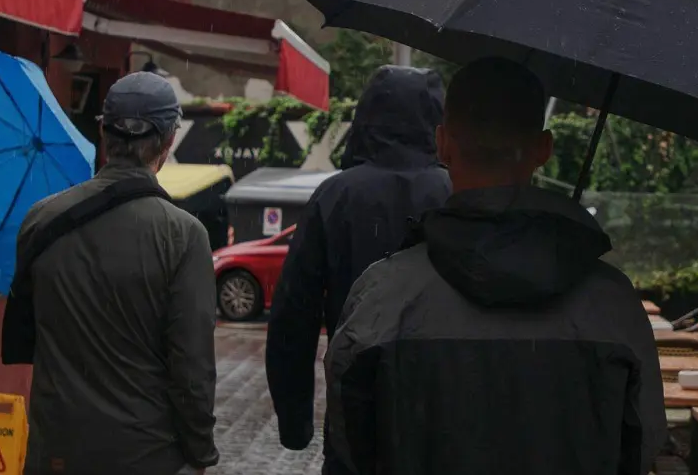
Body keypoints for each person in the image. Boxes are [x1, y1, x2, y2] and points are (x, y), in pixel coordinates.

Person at [324, 58, 665, 475]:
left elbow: (347, 453)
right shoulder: (615, 308)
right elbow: (640, 450)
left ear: (443, 145)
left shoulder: (380, 300)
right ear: (543, 149)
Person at [3, 72, 218, 475]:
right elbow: (193, 368)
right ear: (169, 143)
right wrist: (201, 453)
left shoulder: (41, 219)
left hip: (57, 453)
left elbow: (28, 334)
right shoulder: (184, 236)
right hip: (148, 457)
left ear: (103, 133)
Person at [266, 66, 449, 471]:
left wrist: (295, 424)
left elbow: (292, 318)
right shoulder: (456, 194)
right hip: (445, 401)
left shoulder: (335, 197)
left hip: (355, 400)